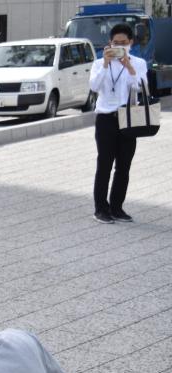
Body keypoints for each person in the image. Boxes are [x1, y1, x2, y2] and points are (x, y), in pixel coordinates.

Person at [90, 23, 148, 224]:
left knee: (124, 165)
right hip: (106, 118)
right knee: (104, 163)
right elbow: (94, 86)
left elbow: (141, 88)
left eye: (124, 43)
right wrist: (106, 65)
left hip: (129, 118)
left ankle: (117, 207)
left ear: (131, 43)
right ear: (109, 43)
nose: (120, 47)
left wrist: (129, 67)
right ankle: (100, 208)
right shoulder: (99, 64)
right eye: (116, 43)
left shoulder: (139, 63)